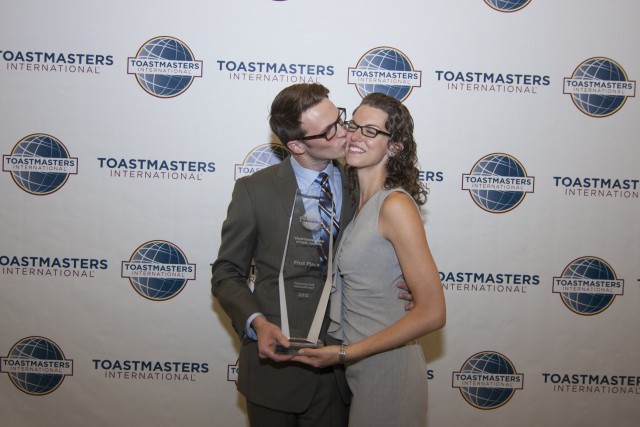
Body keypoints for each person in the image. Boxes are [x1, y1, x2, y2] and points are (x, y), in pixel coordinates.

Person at [211, 83, 413, 427]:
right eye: (329, 130)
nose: (345, 133)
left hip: (339, 370)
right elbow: (227, 273)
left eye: (340, 119)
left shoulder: (362, 185)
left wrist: (405, 284)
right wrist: (257, 323)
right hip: (275, 367)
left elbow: (386, 250)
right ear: (297, 145)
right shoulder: (254, 191)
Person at [293, 93, 446, 427]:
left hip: (390, 372)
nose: (356, 136)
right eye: (353, 125)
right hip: (362, 372)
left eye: (371, 131)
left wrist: (344, 353)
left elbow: (433, 312)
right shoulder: (358, 204)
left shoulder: (395, 205)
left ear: (395, 147)